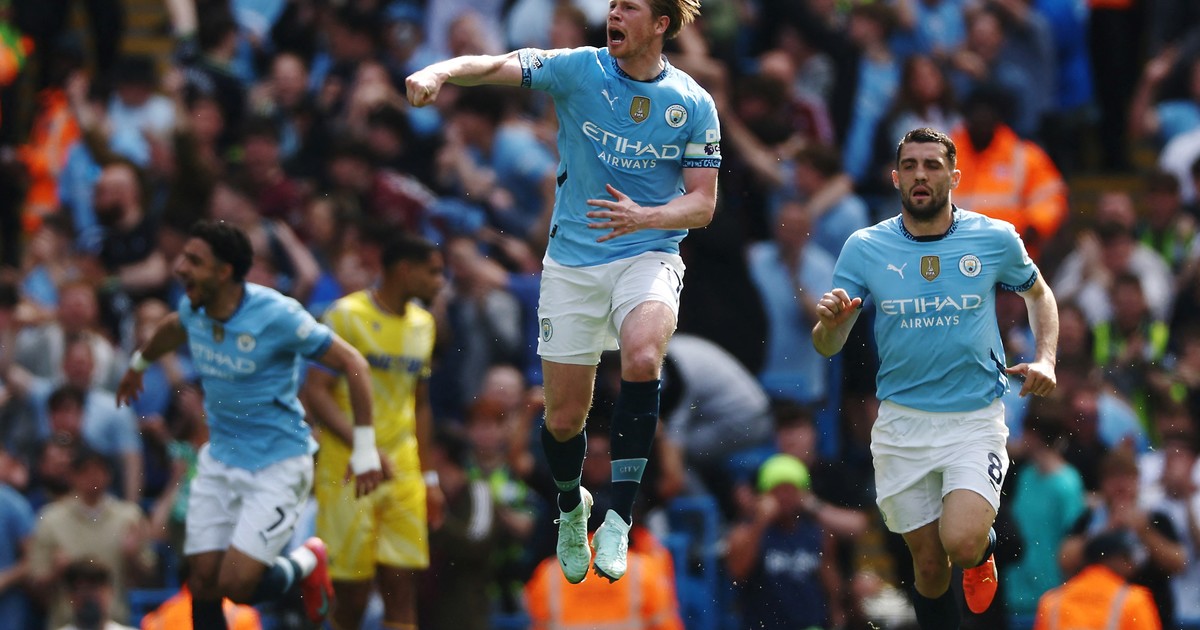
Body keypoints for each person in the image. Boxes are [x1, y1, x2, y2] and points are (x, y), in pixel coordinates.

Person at [405, 0, 718, 585]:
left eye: (629, 7)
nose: (614, 13)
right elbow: (497, 65)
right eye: (613, 5)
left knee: (643, 355)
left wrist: (646, 218)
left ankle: (619, 517)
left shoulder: (693, 103)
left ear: (661, 25)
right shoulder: (579, 68)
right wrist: (439, 71)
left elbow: (702, 204)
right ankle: (572, 508)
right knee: (565, 420)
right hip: (573, 263)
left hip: (648, 252)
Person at [812, 127, 1059, 628]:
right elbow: (827, 345)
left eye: (931, 165)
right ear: (895, 177)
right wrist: (830, 326)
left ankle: (981, 550)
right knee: (927, 567)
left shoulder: (993, 237)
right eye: (910, 166)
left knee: (960, 543)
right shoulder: (864, 247)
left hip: (973, 419)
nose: (920, 175)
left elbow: (1039, 294)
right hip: (901, 425)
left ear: (954, 176)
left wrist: (1047, 358)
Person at [115, 220, 384, 628]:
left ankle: (308, 561)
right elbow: (171, 328)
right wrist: (139, 365)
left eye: (194, 261)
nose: (180, 268)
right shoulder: (195, 307)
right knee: (202, 582)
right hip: (221, 459)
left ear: (224, 271)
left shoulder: (276, 315)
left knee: (237, 586)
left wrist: (364, 450)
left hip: (277, 464)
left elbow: (353, 363)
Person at [301, 233, 447, 630]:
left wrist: (429, 477)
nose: (440, 282)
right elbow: (316, 391)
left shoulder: (424, 324)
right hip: (348, 468)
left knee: (401, 587)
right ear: (405, 270)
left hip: (402, 470)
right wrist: (362, 446)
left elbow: (421, 403)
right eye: (433, 273)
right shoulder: (346, 315)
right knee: (352, 593)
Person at [1033, 530, 1162, 630]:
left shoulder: (1051, 601)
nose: (1132, 565)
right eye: (1126, 557)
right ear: (1111, 558)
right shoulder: (1134, 601)